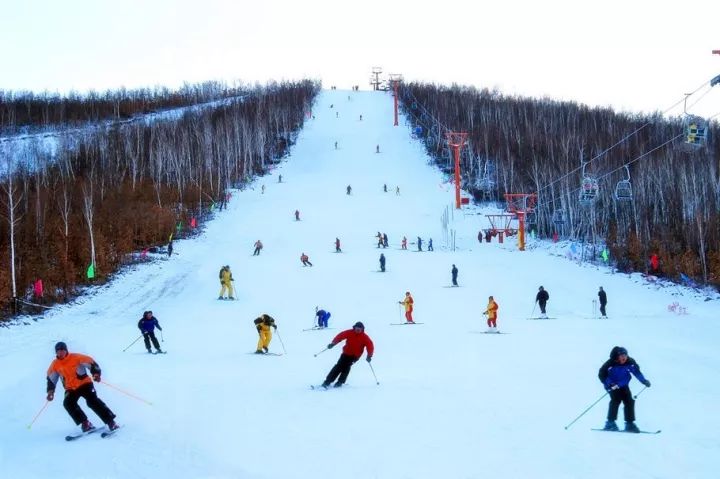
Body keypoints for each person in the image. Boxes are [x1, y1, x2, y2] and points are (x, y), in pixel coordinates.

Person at [46, 342, 119, 433]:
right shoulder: (55, 364)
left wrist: (96, 374)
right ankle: (85, 423)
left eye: (62, 350)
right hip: (71, 389)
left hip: (85, 384)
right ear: (56, 352)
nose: (60, 352)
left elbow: (91, 363)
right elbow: (51, 379)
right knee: (68, 403)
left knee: (92, 401)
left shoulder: (76, 357)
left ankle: (111, 422)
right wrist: (50, 392)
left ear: (66, 350)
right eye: (58, 351)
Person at [598, 346, 651, 433]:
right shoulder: (610, 363)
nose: (624, 357)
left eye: (625, 355)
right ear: (617, 356)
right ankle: (610, 423)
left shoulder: (630, 362)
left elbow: (636, 372)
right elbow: (602, 374)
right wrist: (610, 383)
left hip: (623, 384)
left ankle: (629, 424)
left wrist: (644, 381)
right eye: (621, 355)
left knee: (629, 401)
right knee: (616, 400)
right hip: (612, 385)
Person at [320, 322, 374, 388]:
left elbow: (370, 346)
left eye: (360, 328)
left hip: (355, 356)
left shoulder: (365, 337)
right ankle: (328, 381)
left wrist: (369, 356)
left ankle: (340, 382)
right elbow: (340, 336)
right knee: (338, 366)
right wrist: (333, 343)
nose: (358, 329)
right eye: (357, 328)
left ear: (362, 329)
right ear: (354, 327)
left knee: (346, 367)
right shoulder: (349, 332)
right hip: (345, 353)